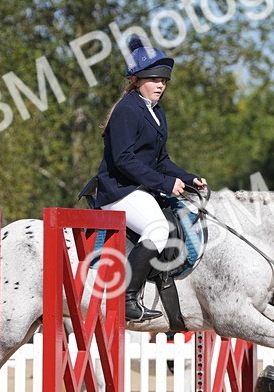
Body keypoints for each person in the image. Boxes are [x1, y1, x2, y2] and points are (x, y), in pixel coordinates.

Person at [81, 37, 206, 322]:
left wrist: (188, 178)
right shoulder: (127, 110)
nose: (161, 85)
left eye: (164, 81)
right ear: (136, 80)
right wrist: (165, 183)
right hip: (118, 191)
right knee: (159, 229)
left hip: (138, 190)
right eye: (154, 80)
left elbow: (161, 160)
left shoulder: (156, 112)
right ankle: (126, 298)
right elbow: (124, 159)